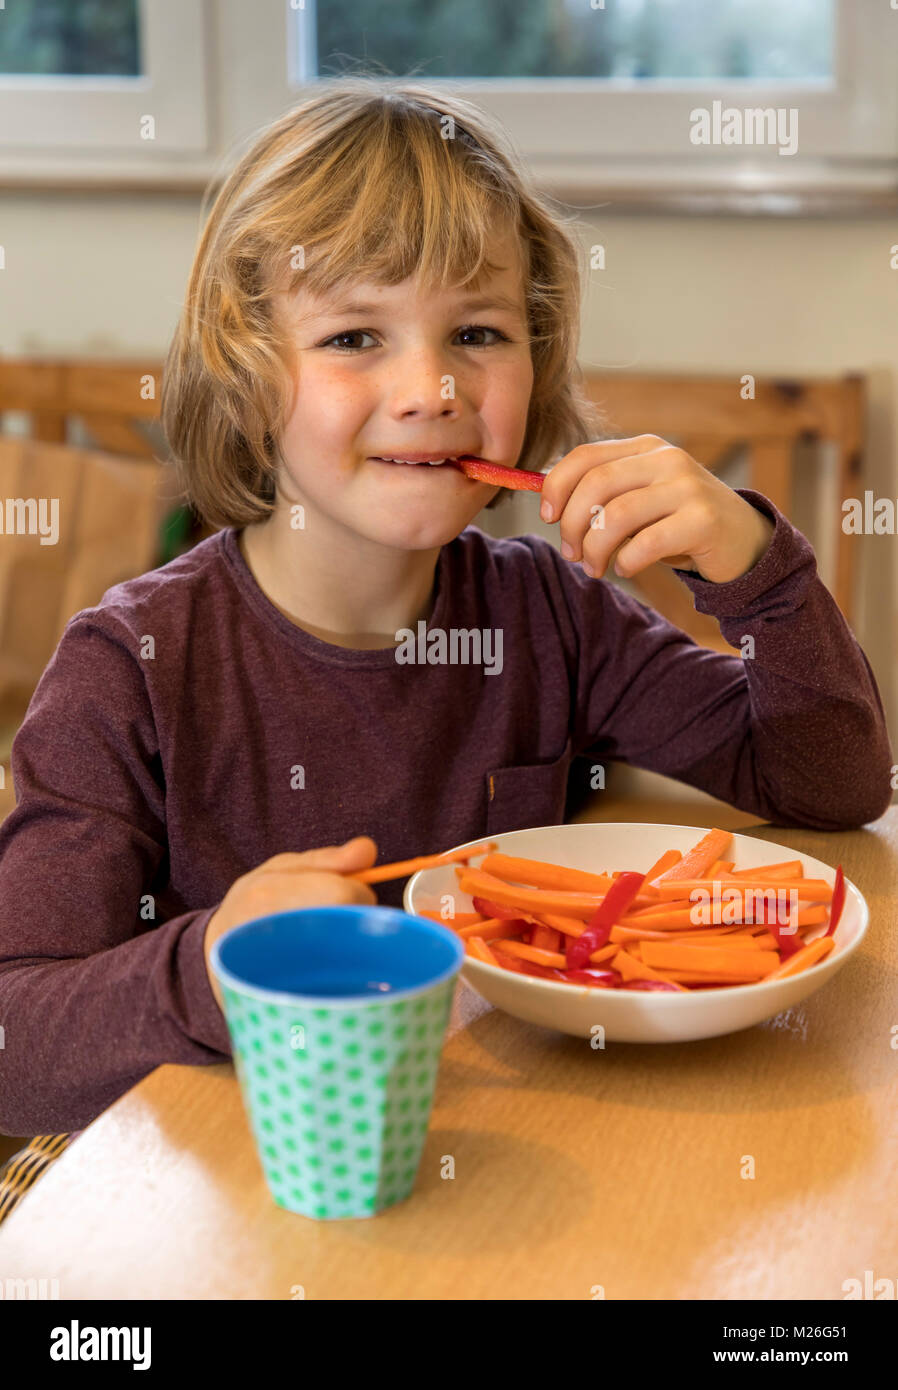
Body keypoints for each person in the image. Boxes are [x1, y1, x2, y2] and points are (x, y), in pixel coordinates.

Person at [0, 78, 891, 1183]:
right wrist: (216, 965)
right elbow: (15, 1045)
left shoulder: (552, 617)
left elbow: (836, 780)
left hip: (508, 1174)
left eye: (476, 331)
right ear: (244, 375)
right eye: (355, 334)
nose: (429, 386)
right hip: (222, 1208)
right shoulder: (127, 668)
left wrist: (756, 570)